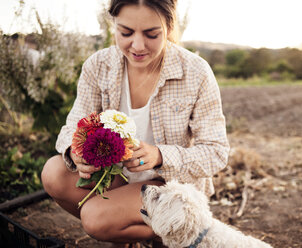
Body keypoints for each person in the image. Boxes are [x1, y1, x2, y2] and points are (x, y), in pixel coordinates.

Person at [41, 0, 229, 246]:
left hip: (169, 186)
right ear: (113, 26)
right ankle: (124, 229)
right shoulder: (98, 66)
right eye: (126, 32)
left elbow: (216, 152)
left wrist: (160, 156)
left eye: (152, 34)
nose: (138, 46)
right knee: (53, 173)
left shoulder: (196, 72)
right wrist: (75, 151)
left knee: (95, 218)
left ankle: (167, 233)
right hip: (117, 177)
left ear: (169, 27)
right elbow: (73, 127)